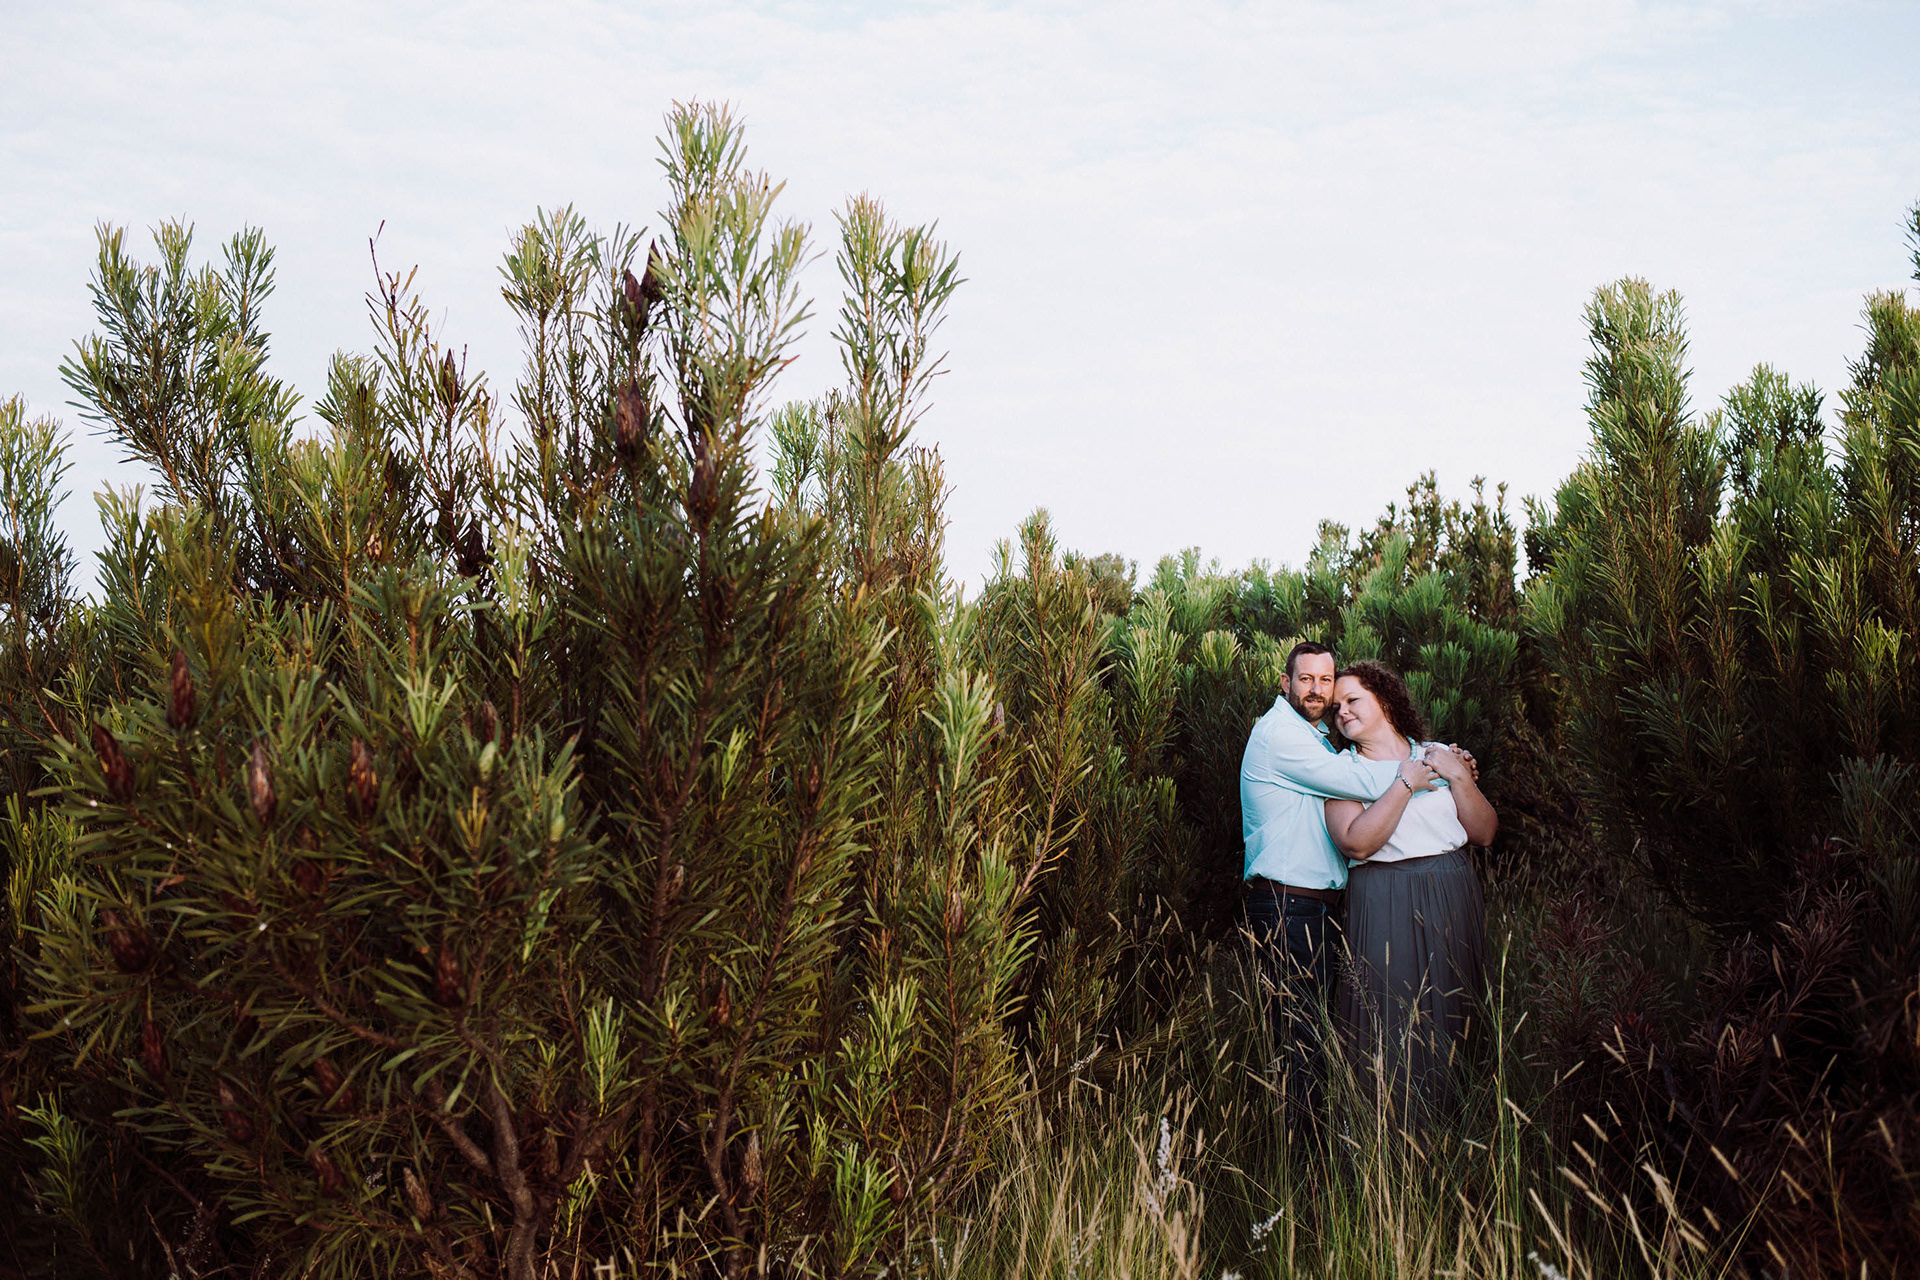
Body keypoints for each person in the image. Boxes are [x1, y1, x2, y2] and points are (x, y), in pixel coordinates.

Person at [1239, 641, 1445, 1128]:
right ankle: (1300, 1163)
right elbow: (1360, 781)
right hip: (1288, 907)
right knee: (1301, 1043)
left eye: (1325, 680)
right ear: (1285, 683)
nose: (1317, 689)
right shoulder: (1279, 736)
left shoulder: (1311, 738)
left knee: (1313, 1038)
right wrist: (1439, 770)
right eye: (1305, 679)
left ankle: (1313, 1153)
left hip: (1311, 909)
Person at [1322, 660, 1496, 1118]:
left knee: (1457, 1010)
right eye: (1336, 707)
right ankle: (1390, 1134)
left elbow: (1484, 833)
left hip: (1452, 889)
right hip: (1386, 896)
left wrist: (1458, 775)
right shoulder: (1340, 771)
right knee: (1391, 1015)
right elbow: (1356, 842)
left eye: (1352, 699)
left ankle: (1457, 1126)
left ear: (1384, 699)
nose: (1342, 711)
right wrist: (1405, 783)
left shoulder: (1438, 754)